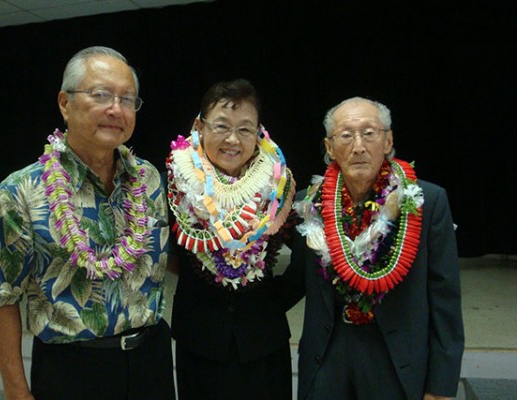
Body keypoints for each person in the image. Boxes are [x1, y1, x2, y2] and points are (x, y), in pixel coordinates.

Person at [0, 46, 175, 400]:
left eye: (128, 99)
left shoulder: (151, 181)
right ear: (65, 103)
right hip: (72, 372)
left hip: (150, 364)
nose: (116, 108)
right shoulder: (20, 192)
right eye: (101, 95)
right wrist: (17, 392)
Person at [288, 96, 465, 400]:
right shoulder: (308, 204)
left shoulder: (425, 202)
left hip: (395, 360)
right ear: (329, 148)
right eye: (346, 135)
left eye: (369, 133)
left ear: (388, 141)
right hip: (327, 358)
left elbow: (444, 297)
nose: (358, 146)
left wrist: (442, 382)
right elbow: (292, 282)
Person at [165, 78, 299, 399]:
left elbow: (308, 253)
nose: (232, 140)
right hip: (199, 343)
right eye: (222, 126)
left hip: (264, 344)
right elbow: (165, 254)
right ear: (199, 126)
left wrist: (274, 300)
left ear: (258, 133)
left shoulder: (279, 185)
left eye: (244, 129)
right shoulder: (174, 182)